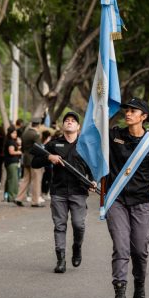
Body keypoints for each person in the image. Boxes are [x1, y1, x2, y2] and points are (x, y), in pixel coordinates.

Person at [104, 98, 149, 298]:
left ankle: (139, 285)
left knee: (140, 250)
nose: (128, 113)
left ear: (143, 117)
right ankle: (120, 291)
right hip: (117, 202)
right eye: (127, 110)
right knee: (121, 247)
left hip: (142, 203)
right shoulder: (114, 136)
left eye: (134, 111)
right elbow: (93, 141)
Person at [32, 112, 94, 273]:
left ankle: (77, 247)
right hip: (58, 191)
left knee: (78, 225)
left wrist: (93, 181)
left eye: (73, 121)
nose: (69, 122)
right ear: (62, 125)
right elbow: (34, 162)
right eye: (66, 120)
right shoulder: (53, 144)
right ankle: (61, 260)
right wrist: (49, 158)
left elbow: (93, 167)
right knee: (60, 226)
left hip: (79, 191)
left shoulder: (85, 145)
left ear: (78, 126)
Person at [15, 120, 45, 207]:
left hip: (26, 159)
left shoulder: (25, 133)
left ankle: (19, 198)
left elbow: (23, 147)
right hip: (34, 160)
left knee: (25, 179)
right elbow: (39, 148)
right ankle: (35, 201)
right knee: (36, 180)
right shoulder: (36, 134)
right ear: (38, 126)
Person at [3, 128, 22, 201]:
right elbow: (11, 152)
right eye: (13, 133)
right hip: (12, 162)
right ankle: (12, 196)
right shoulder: (10, 142)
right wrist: (19, 152)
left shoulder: (11, 141)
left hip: (11, 162)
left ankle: (8, 196)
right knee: (13, 180)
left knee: (10, 179)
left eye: (16, 133)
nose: (15, 134)